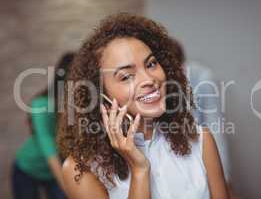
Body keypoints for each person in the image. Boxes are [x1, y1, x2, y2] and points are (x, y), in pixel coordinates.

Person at [57, 13, 229, 199]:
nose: (149, 79)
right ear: (100, 96)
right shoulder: (82, 170)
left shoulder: (200, 141)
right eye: (126, 76)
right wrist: (139, 170)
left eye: (151, 64)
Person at [11, 53, 75, 199]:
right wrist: (68, 189)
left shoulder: (76, 106)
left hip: (56, 170)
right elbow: (48, 148)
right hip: (28, 169)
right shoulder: (41, 104)